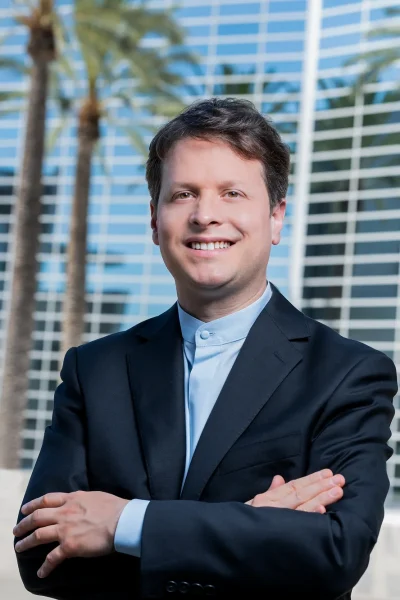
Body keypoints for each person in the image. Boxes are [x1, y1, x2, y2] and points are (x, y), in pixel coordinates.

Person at [14, 98, 397, 600]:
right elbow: (41, 556)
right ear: (155, 221)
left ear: (276, 217)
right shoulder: (95, 370)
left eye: (232, 192)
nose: (206, 215)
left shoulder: (348, 374)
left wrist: (126, 524)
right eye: (183, 194)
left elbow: (333, 553)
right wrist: (250, 530)